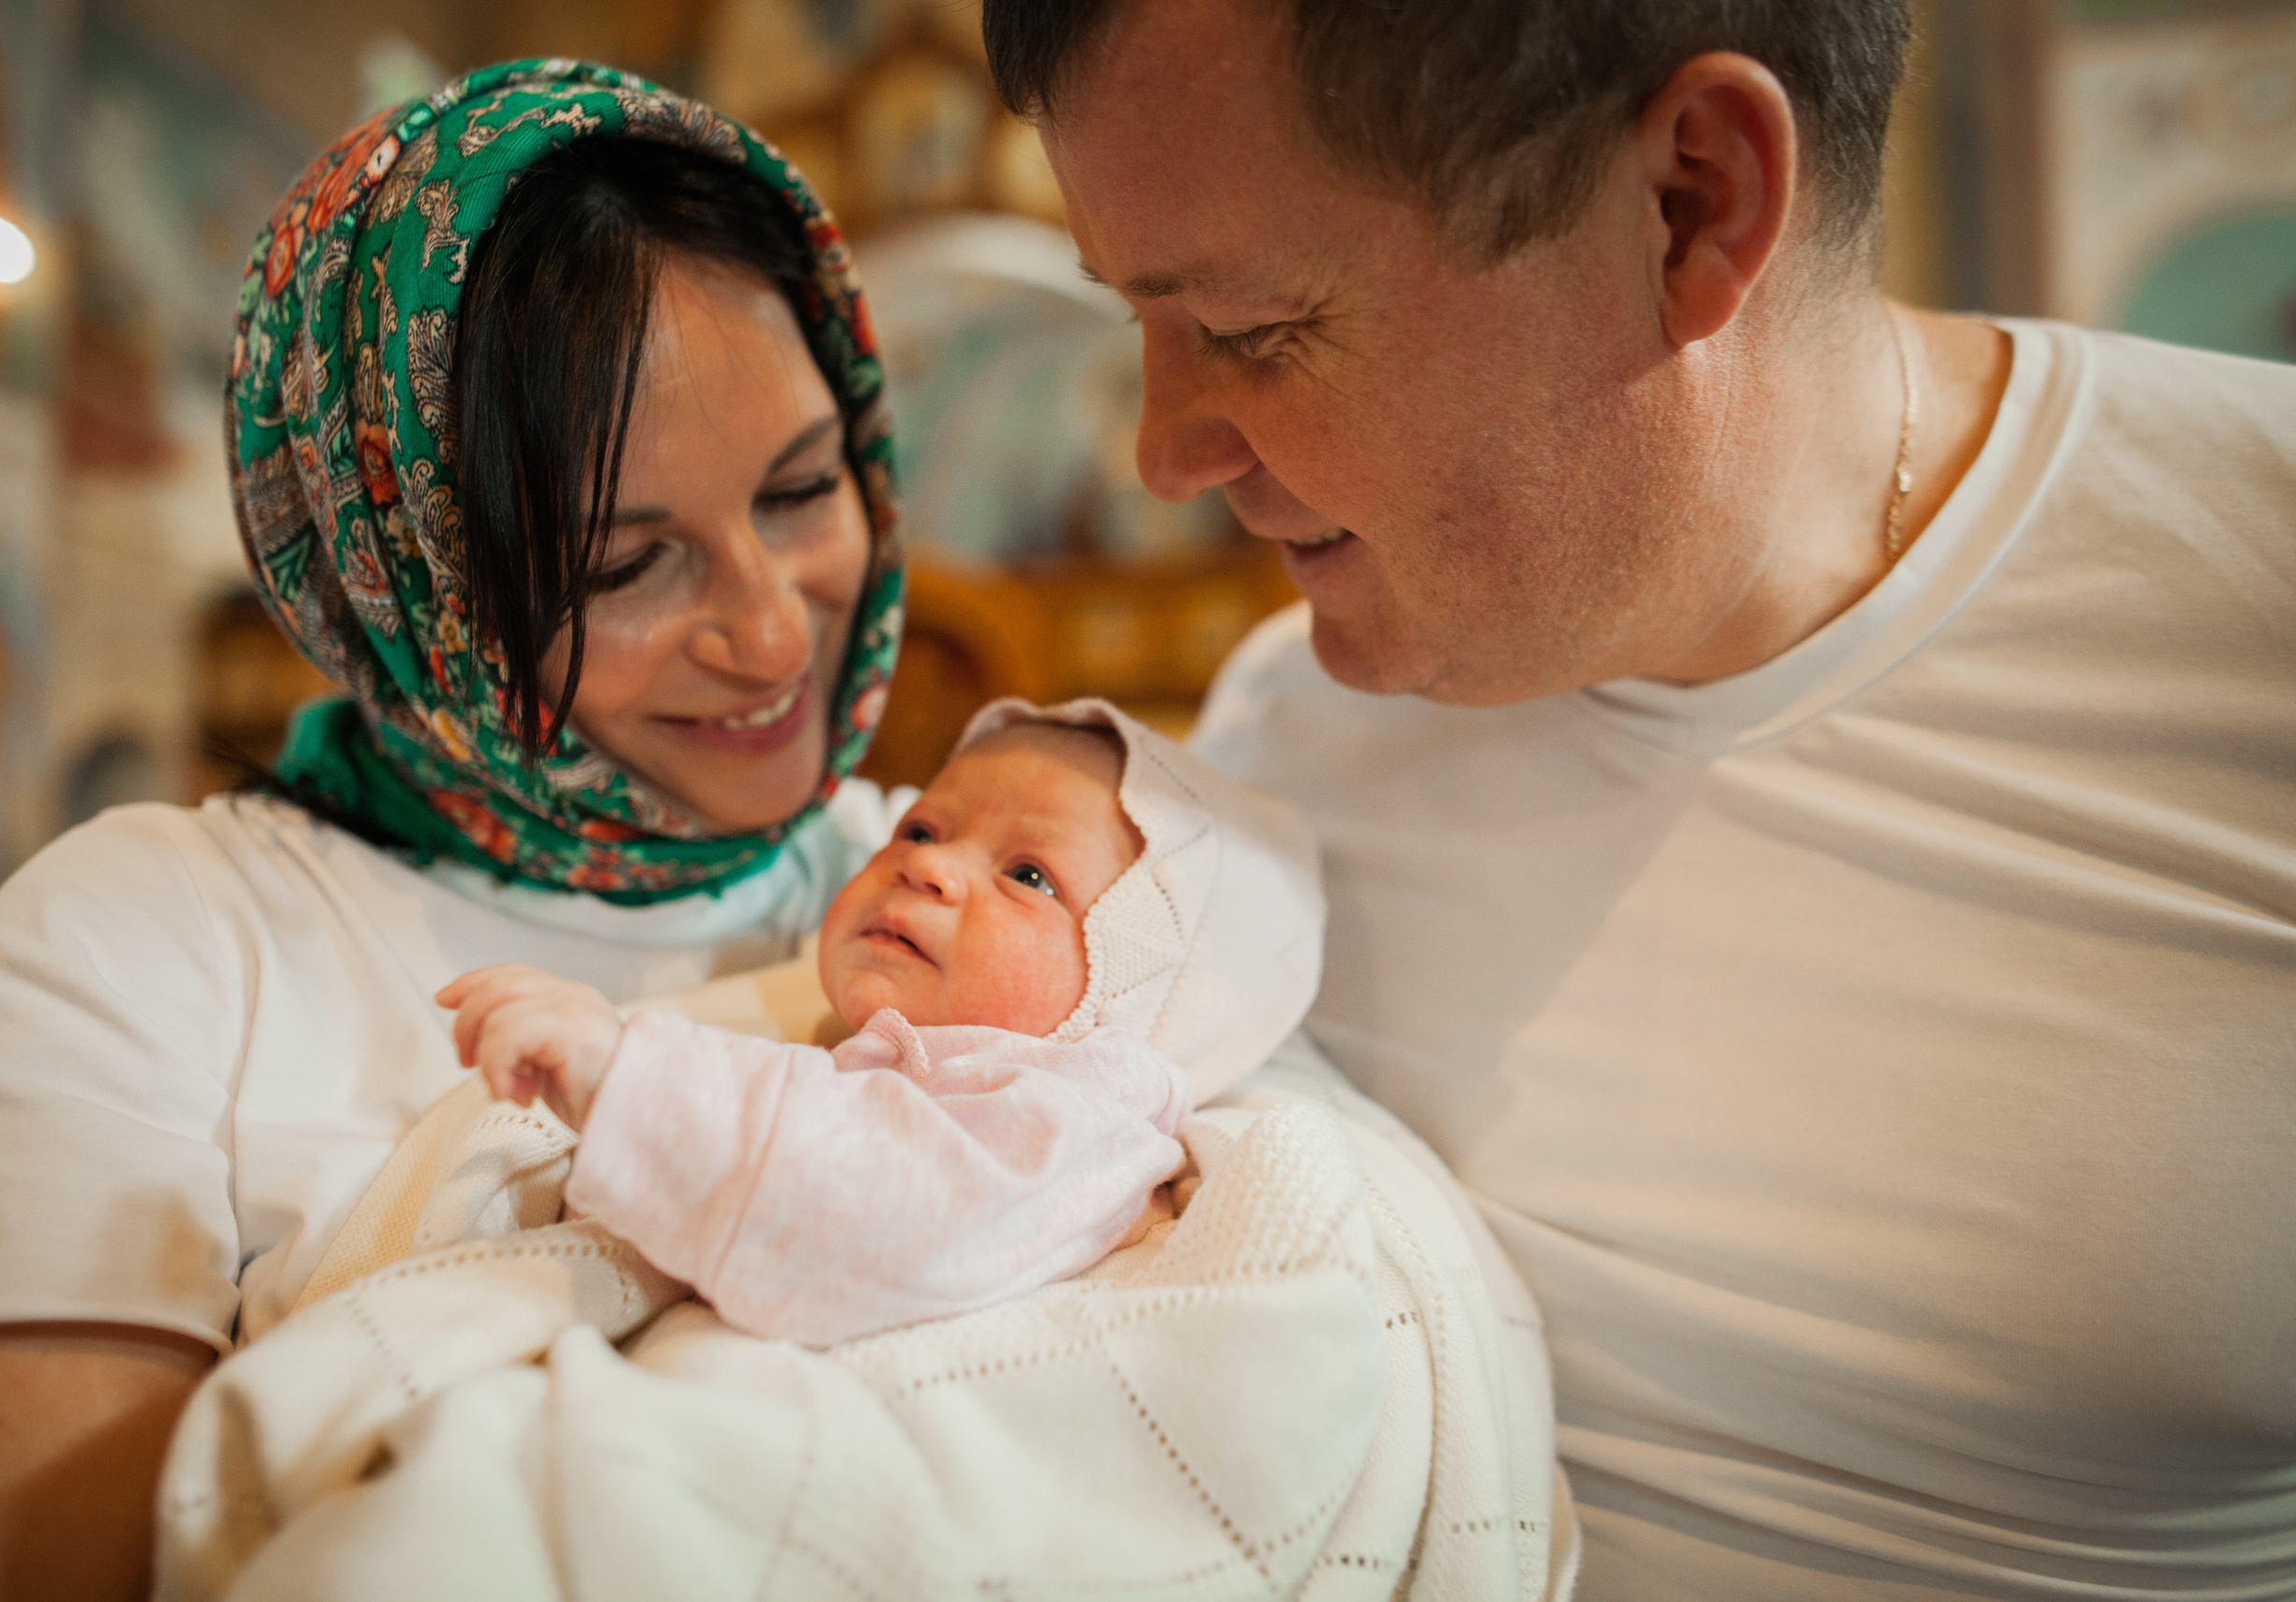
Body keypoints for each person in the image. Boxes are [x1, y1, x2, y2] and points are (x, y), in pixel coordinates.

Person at [982, 0, 2296, 1597]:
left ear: (1691, 202)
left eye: (1251, 329)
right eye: (1135, 314)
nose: (1163, 452)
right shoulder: (1265, 762)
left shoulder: (2255, 605)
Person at [0, 64, 908, 1601]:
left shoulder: (953, 886)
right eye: (624, 566)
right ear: (404, 578)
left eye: (801, 488)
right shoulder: (145, 946)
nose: (772, 635)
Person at [430, 697, 1323, 1347]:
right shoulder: (863, 1045)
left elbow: (884, 1200)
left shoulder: (1076, 1117)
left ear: (1143, 998)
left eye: (1029, 875)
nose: (928, 868)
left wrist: (627, 1081)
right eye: (923, 828)